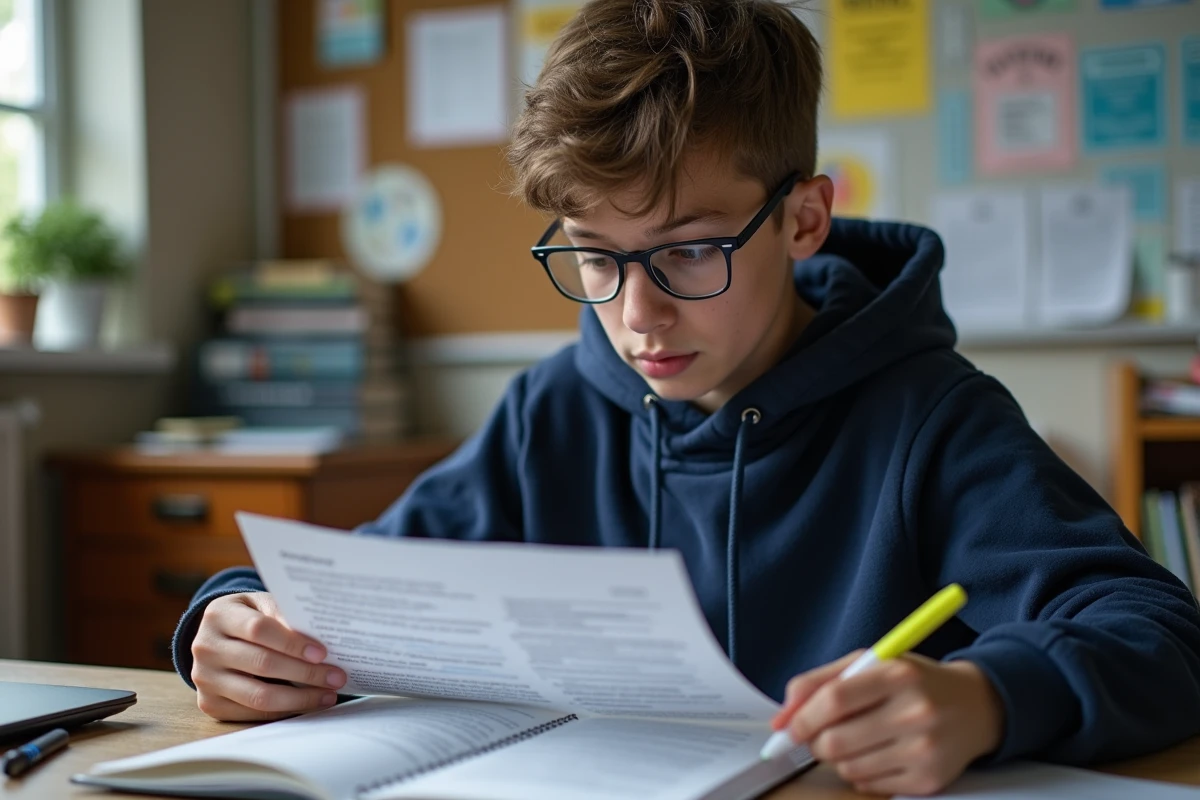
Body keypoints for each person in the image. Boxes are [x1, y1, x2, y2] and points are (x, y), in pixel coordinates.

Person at [171, 0, 1200, 795]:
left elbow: (1159, 628)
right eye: (596, 257)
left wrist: (986, 696)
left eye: (691, 251)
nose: (639, 317)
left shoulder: (931, 417)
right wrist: (237, 623)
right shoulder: (553, 414)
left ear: (804, 219)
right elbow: (364, 588)